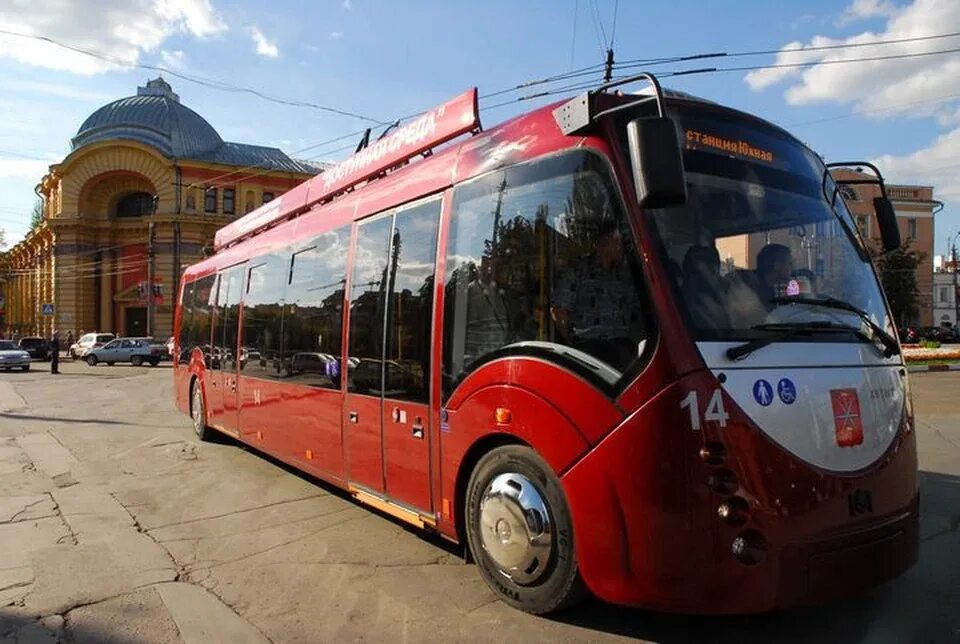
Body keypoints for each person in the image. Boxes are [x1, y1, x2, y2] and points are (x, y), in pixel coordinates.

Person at [551, 218, 642, 368]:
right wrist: (573, 347)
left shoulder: (625, 275)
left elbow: (640, 311)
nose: (623, 247)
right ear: (606, 242)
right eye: (619, 241)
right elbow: (558, 310)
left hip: (623, 351)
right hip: (589, 353)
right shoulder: (578, 271)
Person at [754, 243, 794, 311]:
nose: (792, 267)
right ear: (777, 266)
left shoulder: (769, 289)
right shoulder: (754, 290)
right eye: (789, 264)